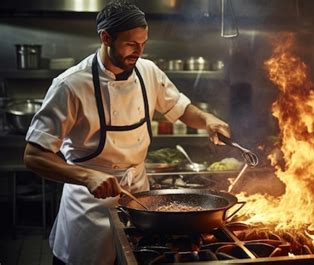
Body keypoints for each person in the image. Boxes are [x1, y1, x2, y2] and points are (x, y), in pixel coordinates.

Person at [23, 1, 231, 264]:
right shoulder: (69, 86)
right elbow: (33, 156)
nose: (139, 52)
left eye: (143, 44)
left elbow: (180, 108)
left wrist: (208, 120)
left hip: (139, 204)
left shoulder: (148, 71)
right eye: (131, 44)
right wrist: (86, 175)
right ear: (106, 37)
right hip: (89, 208)